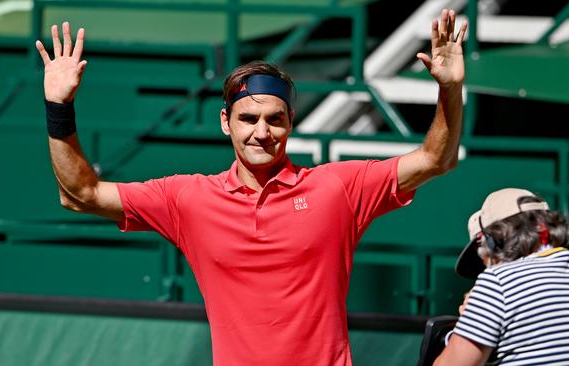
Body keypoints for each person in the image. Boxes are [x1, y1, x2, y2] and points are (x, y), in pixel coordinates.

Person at [35, 9, 468, 365]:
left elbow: (436, 159)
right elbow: (81, 194)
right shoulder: (188, 198)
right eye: (248, 118)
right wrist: (59, 107)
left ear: (290, 123)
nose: (262, 132)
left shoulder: (338, 188)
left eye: (275, 119)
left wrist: (450, 89)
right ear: (226, 122)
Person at [434, 188, 569, 365]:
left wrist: (469, 320)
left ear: (493, 243)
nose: (484, 270)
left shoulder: (498, 283)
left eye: (482, 259)